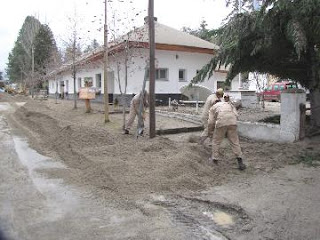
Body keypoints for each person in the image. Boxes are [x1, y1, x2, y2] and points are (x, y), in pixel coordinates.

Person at [207, 94, 246, 170]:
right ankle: (240, 162)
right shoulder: (229, 104)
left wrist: (210, 132)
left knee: (216, 142)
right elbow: (236, 115)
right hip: (233, 122)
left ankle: (214, 160)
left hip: (221, 123)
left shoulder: (212, 108)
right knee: (235, 142)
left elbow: (210, 122)